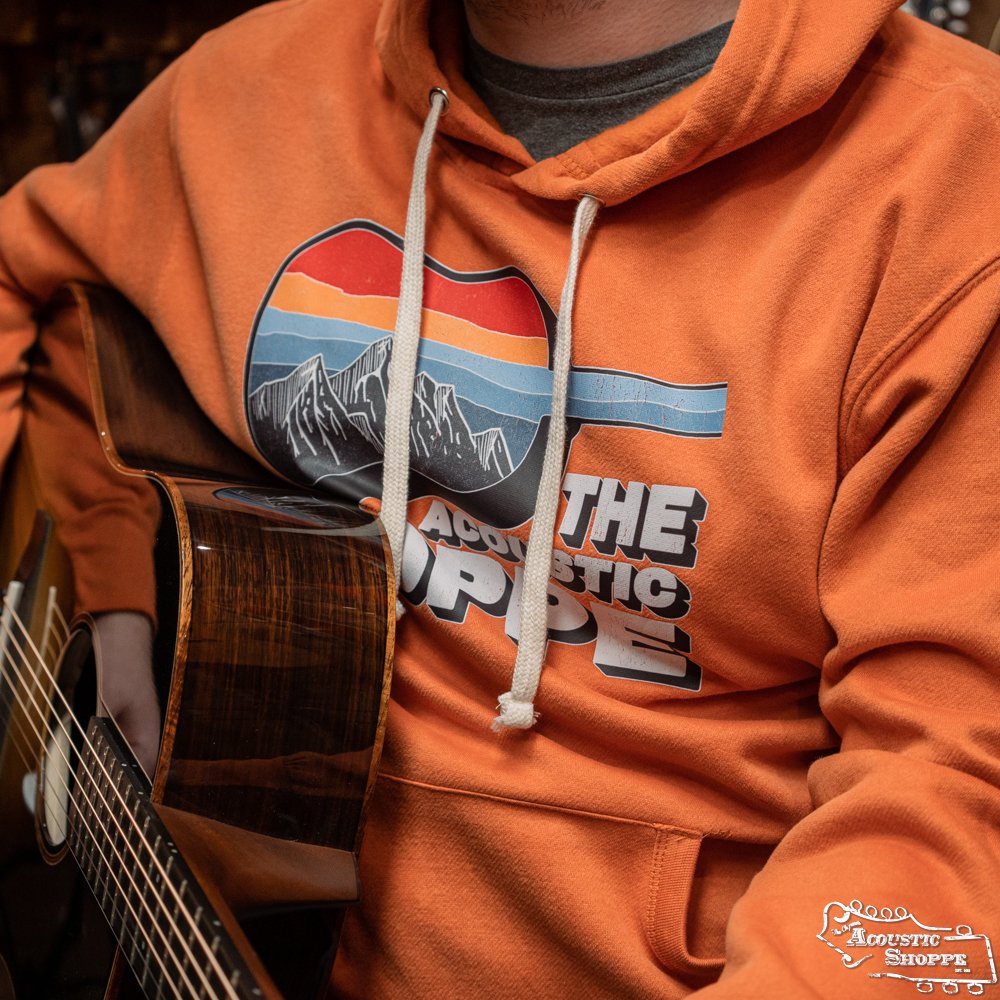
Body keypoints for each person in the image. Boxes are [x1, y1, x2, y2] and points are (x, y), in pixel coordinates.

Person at [1, 0, 999, 996]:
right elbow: (30, 281)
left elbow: (947, 790)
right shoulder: (253, 81)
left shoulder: (953, 179)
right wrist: (105, 565)